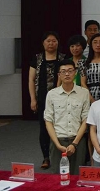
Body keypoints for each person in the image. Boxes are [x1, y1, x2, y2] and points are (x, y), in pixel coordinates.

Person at [44, 59, 90, 175]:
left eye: (70, 71)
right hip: (58, 140)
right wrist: (57, 144)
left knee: (77, 176)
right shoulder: (52, 94)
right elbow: (48, 121)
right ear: (59, 75)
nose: (67, 74)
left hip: (78, 140)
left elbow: (85, 120)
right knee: (58, 176)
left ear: (75, 73)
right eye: (63, 71)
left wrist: (74, 144)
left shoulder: (84, 93)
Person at [28, 31, 65, 170]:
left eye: (54, 41)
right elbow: (31, 80)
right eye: (48, 41)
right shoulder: (37, 59)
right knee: (44, 127)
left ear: (58, 42)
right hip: (42, 98)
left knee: (60, 126)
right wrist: (33, 99)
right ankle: (46, 157)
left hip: (61, 97)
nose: (51, 43)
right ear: (43, 43)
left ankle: (60, 154)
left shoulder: (63, 58)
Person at [81, 33, 100, 103]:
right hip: (90, 94)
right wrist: (91, 99)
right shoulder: (83, 62)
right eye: (95, 42)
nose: (98, 45)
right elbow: (83, 83)